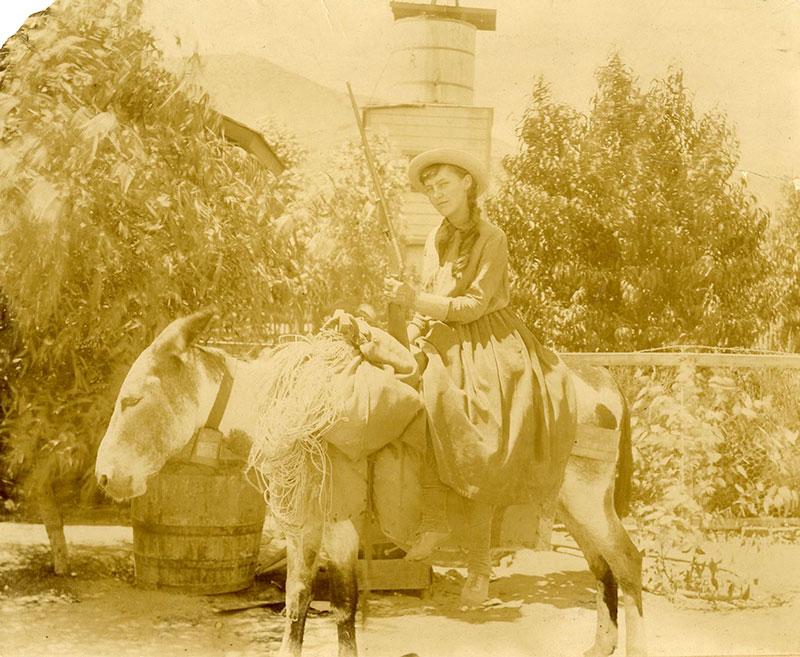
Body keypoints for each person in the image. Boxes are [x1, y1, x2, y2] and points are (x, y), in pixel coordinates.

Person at [384, 148, 575, 607]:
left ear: (468, 183)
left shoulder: (493, 237)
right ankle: (429, 515)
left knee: (473, 427)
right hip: (443, 336)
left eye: (444, 185)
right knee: (400, 391)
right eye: (429, 189)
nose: (436, 195)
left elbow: (474, 305)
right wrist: (409, 325)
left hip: (489, 340)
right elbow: (431, 297)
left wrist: (418, 304)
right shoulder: (435, 238)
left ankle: (478, 569)